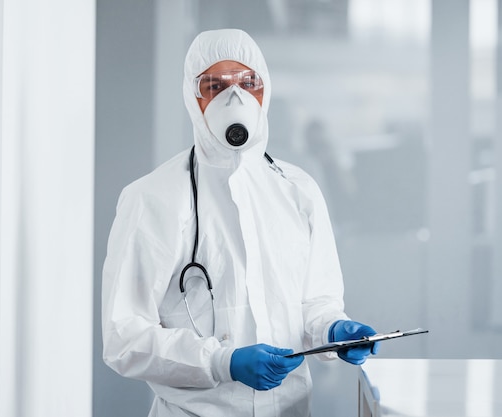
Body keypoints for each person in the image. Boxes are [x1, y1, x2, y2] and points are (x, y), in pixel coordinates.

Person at [101, 28, 380, 417]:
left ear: (264, 91)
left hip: (290, 409)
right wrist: (221, 362)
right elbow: (123, 337)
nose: (236, 97)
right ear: (193, 97)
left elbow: (316, 301)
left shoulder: (298, 191)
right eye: (215, 85)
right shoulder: (152, 198)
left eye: (248, 82)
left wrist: (334, 330)